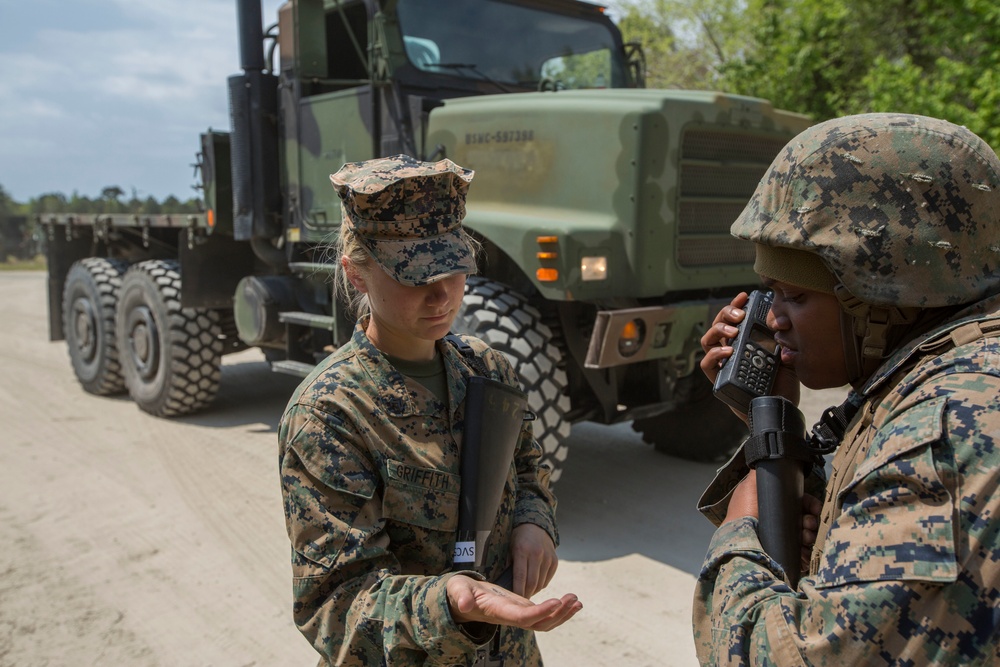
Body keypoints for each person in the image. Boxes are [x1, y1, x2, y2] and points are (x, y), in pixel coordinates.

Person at [693, 113, 1000, 665]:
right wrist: (773, 422)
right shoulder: (952, 368)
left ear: (884, 298)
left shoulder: (946, 430)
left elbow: (796, 656)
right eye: (769, 293)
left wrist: (742, 533)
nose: (773, 319)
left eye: (797, 296)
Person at [277, 154, 581, 666]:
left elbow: (528, 468)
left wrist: (534, 523)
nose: (442, 292)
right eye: (415, 274)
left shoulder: (486, 369)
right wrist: (453, 604)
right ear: (356, 274)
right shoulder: (330, 414)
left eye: (453, 266)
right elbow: (335, 607)